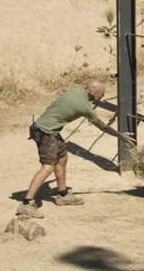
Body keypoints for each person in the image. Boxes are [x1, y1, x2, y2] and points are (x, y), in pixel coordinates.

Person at [17, 79, 134, 218]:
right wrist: (121, 136)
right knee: (48, 166)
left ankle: (62, 194)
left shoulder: (75, 92)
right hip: (45, 132)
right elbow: (102, 127)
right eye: (101, 94)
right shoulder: (85, 107)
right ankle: (26, 203)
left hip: (48, 130)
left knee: (62, 158)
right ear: (93, 92)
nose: (102, 97)